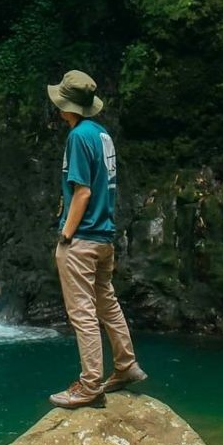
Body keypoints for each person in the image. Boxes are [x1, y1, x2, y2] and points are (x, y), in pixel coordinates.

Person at [46, 69, 147, 409]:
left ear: (67, 106)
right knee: (106, 301)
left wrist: (65, 235)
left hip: (83, 238)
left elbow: (83, 192)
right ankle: (125, 365)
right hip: (105, 237)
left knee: (83, 313)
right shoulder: (102, 134)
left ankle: (90, 385)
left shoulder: (77, 138)